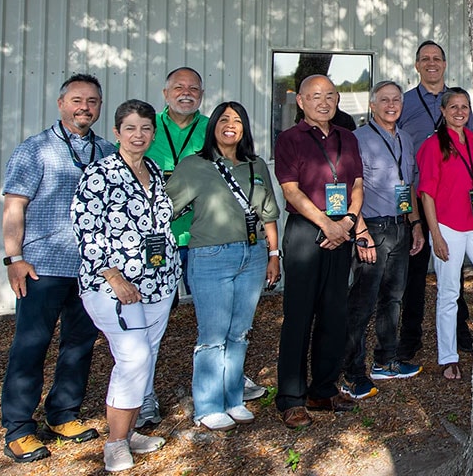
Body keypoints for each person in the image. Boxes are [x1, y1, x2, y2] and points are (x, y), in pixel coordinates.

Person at [0, 74, 115, 463]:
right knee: (31, 346)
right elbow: (14, 206)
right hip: (42, 267)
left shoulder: (106, 151)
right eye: (78, 100)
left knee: (79, 345)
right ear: (61, 103)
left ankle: (63, 413)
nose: (85, 108)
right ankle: (18, 427)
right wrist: (14, 259)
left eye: (93, 101)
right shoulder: (35, 150)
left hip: (90, 270)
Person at [143, 67, 266, 427]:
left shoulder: (211, 129)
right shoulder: (149, 130)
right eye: (179, 87)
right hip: (164, 242)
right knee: (151, 326)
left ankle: (229, 387)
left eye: (193, 88)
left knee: (230, 323)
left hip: (207, 241)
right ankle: (144, 396)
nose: (186, 93)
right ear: (165, 93)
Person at [72, 100, 178, 472]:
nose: (139, 135)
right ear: (117, 133)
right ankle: (115, 443)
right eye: (130, 128)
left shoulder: (152, 169)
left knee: (145, 357)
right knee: (132, 359)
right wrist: (113, 275)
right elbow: (86, 230)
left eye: (145, 128)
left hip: (158, 282)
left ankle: (130, 430)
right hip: (115, 286)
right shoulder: (99, 174)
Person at [166, 102, 281, 430]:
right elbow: (164, 209)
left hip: (254, 254)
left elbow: (269, 215)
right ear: (213, 125)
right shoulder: (193, 166)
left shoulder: (256, 165)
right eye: (224, 119)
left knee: (240, 333)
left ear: (245, 128)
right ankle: (207, 406)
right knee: (213, 336)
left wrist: (274, 254)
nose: (231, 125)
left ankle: (233, 399)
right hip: (211, 258)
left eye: (237, 120)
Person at [273, 75, 366, 428]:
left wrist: (347, 223)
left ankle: (322, 389)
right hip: (306, 233)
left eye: (329, 95)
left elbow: (357, 185)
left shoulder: (348, 137)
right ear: (300, 101)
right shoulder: (290, 139)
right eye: (315, 96)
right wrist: (327, 224)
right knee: (299, 317)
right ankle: (291, 398)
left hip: (341, 232)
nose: (323, 102)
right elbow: (291, 191)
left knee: (334, 313)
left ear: (337, 98)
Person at [341, 81, 425, 399]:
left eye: (397, 100)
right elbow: (350, 188)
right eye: (384, 100)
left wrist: (415, 225)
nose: (392, 105)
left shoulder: (405, 138)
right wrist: (359, 231)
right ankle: (352, 373)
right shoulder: (358, 139)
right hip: (371, 229)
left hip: (400, 229)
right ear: (372, 105)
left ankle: (386, 361)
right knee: (361, 304)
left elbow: (410, 187)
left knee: (393, 299)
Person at [398, 40, 473, 363]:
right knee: (415, 273)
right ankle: (410, 340)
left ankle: (461, 335)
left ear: (444, 64)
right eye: (425, 59)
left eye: (437, 58)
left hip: (460, 207)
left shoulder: (463, 113)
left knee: (452, 277)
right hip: (420, 200)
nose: (431, 63)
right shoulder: (403, 104)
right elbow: (398, 159)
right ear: (417, 66)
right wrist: (412, 217)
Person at [417, 88, 473, 381]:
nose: (459, 111)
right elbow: (426, 193)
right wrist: (436, 234)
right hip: (448, 227)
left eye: (464, 106)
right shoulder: (433, 145)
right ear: (442, 111)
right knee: (450, 293)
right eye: (453, 106)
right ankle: (448, 356)